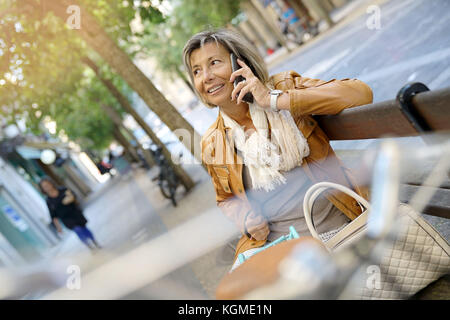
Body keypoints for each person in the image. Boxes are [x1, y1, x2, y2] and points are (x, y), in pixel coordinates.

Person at [182, 29, 373, 269]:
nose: (206, 76)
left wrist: (273, 100)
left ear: (240, 63)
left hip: (334, 230)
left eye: (215, 63)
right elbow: (226, 199)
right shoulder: (212, 141)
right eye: (197, 71)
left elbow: (360, 93)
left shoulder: (283, 86)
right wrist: (246, 220)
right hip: (276, 245)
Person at [39, 178, 101, 251]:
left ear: (51, 183)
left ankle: (94, 241)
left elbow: (73, 195)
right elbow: (53, 215)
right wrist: (58, 227)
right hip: (66, 219)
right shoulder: (48, 200)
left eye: (47, 185)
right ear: (43, 189)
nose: (47, 187)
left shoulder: (63, 190)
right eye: (44, 187)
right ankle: (89, 245)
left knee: (84, 228)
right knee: (77, 230)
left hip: (75, 213)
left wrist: (70, 199)